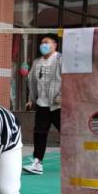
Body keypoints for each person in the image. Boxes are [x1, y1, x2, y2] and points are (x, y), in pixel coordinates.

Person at [24, 34, 61, 175]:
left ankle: (77, 162)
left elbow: (71, 80)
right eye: (41, 43)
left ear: (54, 45)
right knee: (39, 134)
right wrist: (31, 100)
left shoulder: (61, 60)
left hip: (58, 106)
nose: (43, 45)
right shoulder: (36, 62)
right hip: (42, 105)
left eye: (46, 42)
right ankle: (37, 163)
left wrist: (63, 96)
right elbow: (32, 82)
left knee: (67, 134)